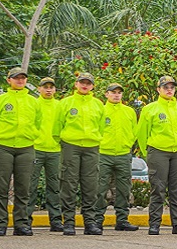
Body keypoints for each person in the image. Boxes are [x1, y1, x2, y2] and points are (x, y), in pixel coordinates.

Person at [0, 67, 41, 236]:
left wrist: (29, 137)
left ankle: (21, 224)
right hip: (2, 147)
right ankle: (0, 224)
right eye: (16, 78)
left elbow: (38, 123)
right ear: (8, 80)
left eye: (23, 78)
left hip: (26, 148)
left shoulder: (33, 101)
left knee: (23, 188)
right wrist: (0, 140)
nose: (20, 80)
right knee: (0, 188)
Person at [136, 76, 177, 235]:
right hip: (158, 152)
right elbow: (141, 134)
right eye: (165, 87)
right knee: (158, 189)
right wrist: (148, 154)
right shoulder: (150, 109)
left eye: (172, 87)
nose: (169, 90)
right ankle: (154, 224)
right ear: (158, 89)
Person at [55, 72, 105, 236]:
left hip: (91, 147)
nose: (85, 85)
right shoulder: (65, 103)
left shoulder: (98, 104)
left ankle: (89, 223)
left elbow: (101, 127)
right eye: (82, 82)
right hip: (71, 146)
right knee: (68, 184)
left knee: (90, 186)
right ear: (76, 84)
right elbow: (57, 128)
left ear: (92, 86)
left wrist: (95, 139)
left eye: (88, 83)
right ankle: (68, 222)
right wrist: (65, 142)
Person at [95, 83, 139, 232]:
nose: (116, 95)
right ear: (106, 94)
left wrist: (128, 144)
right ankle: (97, 220)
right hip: (104, 154)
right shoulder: (100, 110)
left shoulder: (129, 111)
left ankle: (122, 220)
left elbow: (135, 131)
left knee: (124, 189)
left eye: (119, 92)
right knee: (100, 189)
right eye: (113, 92)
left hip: (123, 154)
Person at [28, 77, 63, 231]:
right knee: (30, 186)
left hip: (55, 151)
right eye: (45, 87)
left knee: (54, 187)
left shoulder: (60, 105)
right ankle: (25, 220)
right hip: (35, 149)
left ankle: (55, 221)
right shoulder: (33, 103)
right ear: (39, 88)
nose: (48, 90)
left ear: (55, 90)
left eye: (51, 87)